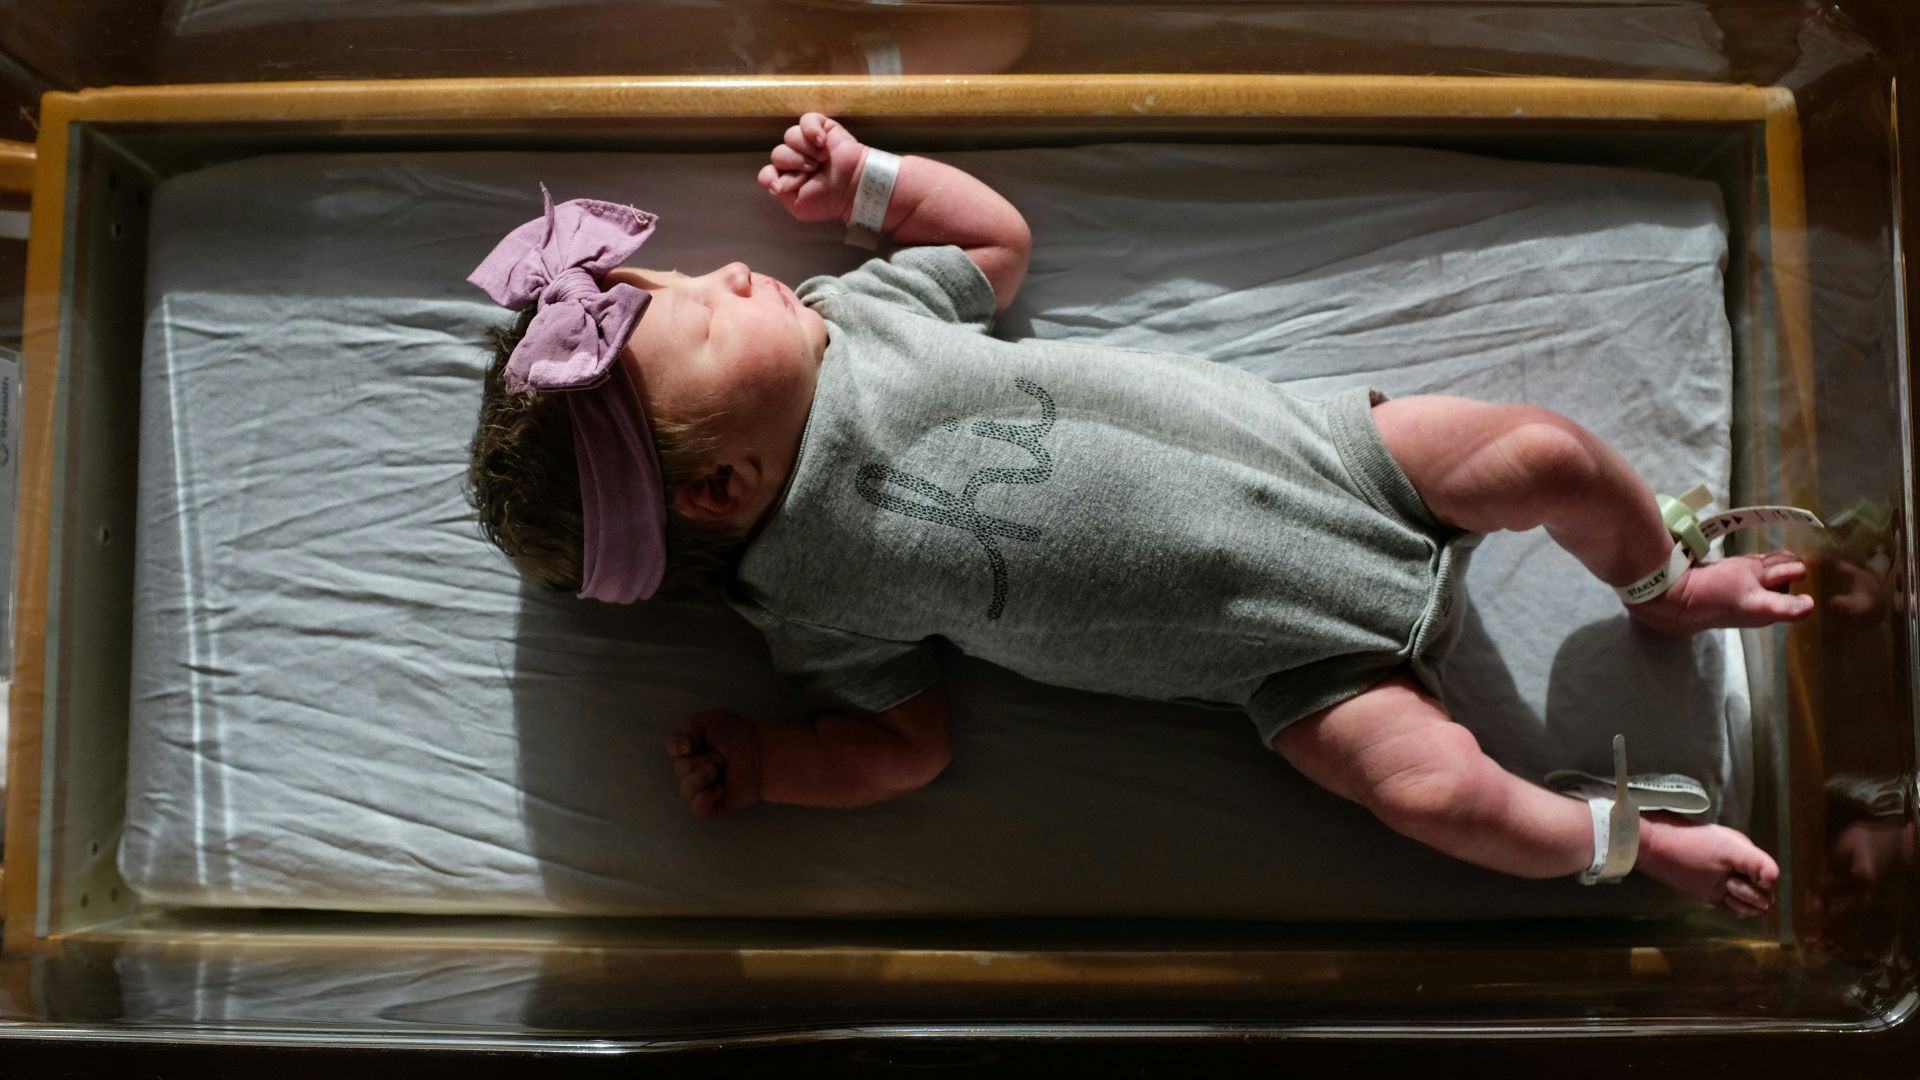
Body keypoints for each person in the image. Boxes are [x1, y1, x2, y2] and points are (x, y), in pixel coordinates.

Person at [467, 113, 1812, 915]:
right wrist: (772, 768)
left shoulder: (856, 315)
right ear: (719, 490)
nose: (737, 267)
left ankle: (1662, 585)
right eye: (701, 309)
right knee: (1434, 792)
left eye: (692, 268)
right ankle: (1625, 845)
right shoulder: (802, 595)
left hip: (1336, 461)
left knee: (1546, 452)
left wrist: (872, 182)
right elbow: (902, 747)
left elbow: (995, 246)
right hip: (1287, 672)